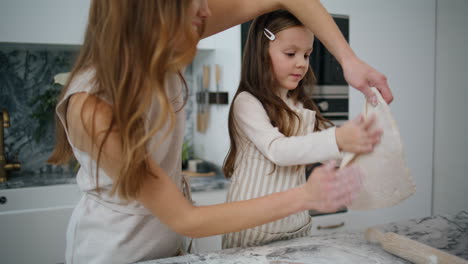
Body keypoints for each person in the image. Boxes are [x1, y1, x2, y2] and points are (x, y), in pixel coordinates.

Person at [48, 1, 388, 263]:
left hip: (173, 248)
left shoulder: (166, 43)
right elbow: (185, 218)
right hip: (115, 252)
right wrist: (307, 196)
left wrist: (349, 60)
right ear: (153, 8)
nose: (207, 9)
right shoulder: (90, 108)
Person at [221, 10, 383, 249]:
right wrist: (338, 139)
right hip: (251, 227)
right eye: (290, 53)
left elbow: (314, 149)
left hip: (294, 224)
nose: (301, 63)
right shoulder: (247, 102)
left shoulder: (299, 104)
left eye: (306, 55)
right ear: (261, 52)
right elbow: (279, 150)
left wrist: (358, 146)